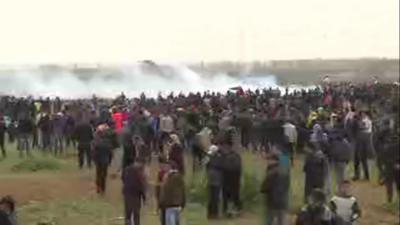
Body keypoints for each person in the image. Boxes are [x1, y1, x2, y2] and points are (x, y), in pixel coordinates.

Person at [261, 154, 290, 225]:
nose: (267, 161)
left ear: (274, 160)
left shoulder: (271, 171)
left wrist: (262, 190)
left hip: (272, 200)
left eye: (269, 160)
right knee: (281, 220)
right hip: (283, 199)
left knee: (269, 220)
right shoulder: (285, 170)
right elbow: (287, 184)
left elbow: (266, 185)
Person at [92, 124, 118, 195]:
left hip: (98, 160)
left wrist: (94, 159)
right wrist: (109, 161)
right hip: (105, 161)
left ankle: (98, 187)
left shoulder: (96, 142)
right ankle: (103, 189)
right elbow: (110, 153)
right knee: (104, 175)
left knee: (98, 174)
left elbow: (93, 152)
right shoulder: (108, 142)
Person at [122, 160, 147, 225]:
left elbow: (123, 178)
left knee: (128, 212)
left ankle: (127, 223)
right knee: (136, 213)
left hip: (127, 192)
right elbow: (142, 184)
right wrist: (144, 196)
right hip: (136, 194)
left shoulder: (127, 169)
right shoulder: (140, 171)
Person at [353, 111, 373, 181]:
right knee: (361, 159)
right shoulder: (367, 120)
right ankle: (365, 175)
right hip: (364, 140)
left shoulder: (366, 121)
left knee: (360, 158)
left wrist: (358, 122)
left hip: (362, 140)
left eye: (362, 114)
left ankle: (360, 175)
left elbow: (363, 127)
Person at [206, 145, 223, 219]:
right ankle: (214, 214)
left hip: (212, 180)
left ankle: (211, 214)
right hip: (216, 180)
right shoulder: (218, 159)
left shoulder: (210, 158)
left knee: (212, 198)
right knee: (214, 198)